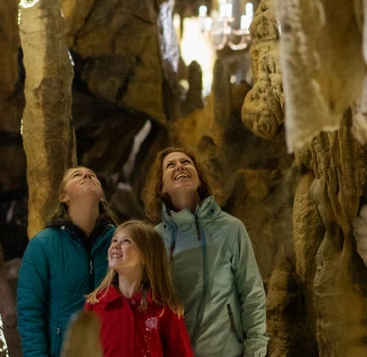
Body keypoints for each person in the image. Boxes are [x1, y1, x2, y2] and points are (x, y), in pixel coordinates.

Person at [143, 147, 269, 357]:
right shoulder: (155, 240)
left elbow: (251, 292)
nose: (180, 166)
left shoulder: (230, 228)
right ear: (162, 187)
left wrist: (255, 350)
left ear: (200, 180)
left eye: (186, 162)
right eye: (170, 165)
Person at [18, 166, 117, 357]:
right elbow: (30, 313)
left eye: (92, 174)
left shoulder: (119, 242)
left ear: (102, 196)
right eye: (76, 175)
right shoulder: (42, 245)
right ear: (63, 197)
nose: (87, 175)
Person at [84, 220, 194, 357]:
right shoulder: (95, 305)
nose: (115, 245)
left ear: (145, 256)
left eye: (126, 241)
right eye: (114, 240)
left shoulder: (164, 309)